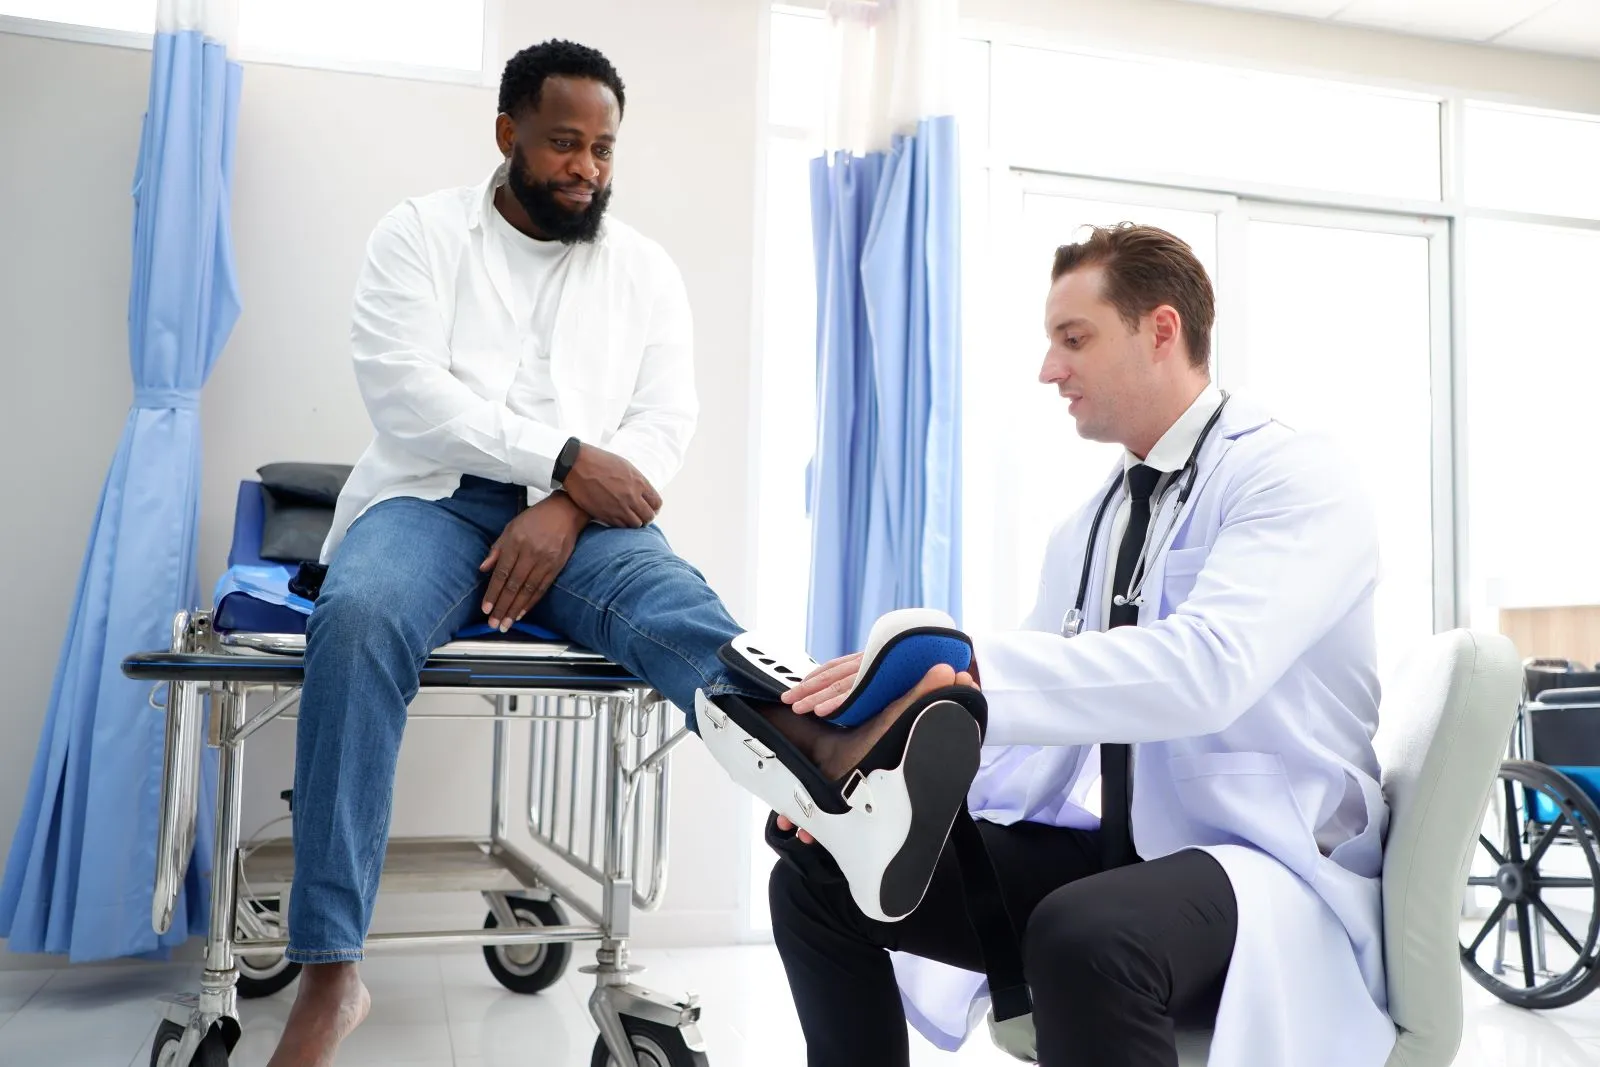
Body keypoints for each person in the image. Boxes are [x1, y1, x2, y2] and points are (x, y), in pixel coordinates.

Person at [265, 39, 975, 1067]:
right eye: (564, 143)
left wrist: (561, 502)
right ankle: (333, 969)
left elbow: (663, 419)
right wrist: (558, 457)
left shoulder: (642, 269)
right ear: (508, 133)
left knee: (684, 614)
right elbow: (404, 391)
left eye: (601, 148)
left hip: (587, 522)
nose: (586, 168)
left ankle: (829, 759)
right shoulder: (417, 234)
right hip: (427, 497)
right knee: (360, 618)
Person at [770, 224, 1395, 1067]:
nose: (1048, 369)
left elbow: (1204, 670)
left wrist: (975, 664)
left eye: (1075, 339)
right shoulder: (1092, 522)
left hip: (1272, 865)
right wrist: (864, 789)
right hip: (1129, 852)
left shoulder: (1291, 478)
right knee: (826, 874)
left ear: (1161, 330)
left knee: (1083, 931)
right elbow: (1028, 720)